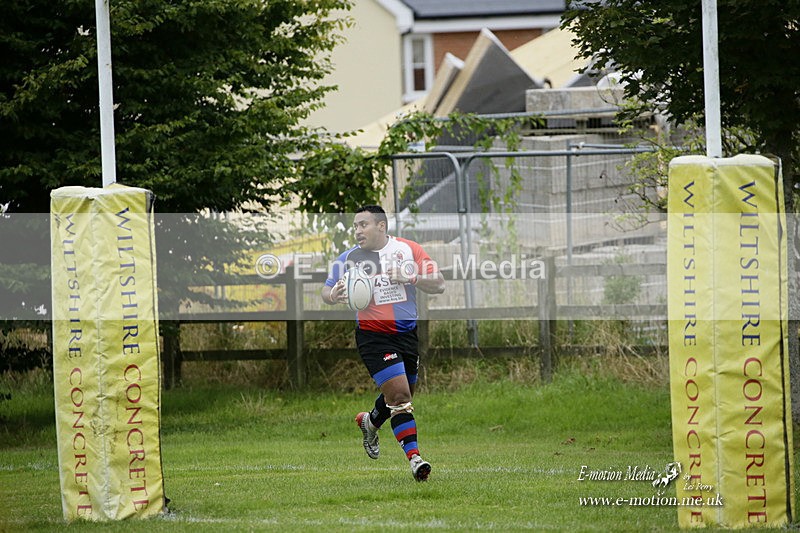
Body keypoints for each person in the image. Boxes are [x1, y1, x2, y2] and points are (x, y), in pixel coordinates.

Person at [321, 205, 445, 481]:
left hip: (406, 335)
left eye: (363, 225)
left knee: (401, 396)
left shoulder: (409, 250)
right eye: (355, 226)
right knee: (400, 397)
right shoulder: (349, 258)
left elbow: (439, 283)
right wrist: (334, 295)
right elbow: (326, 289)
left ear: (381, 226)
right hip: (373, 336)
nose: (357, 231)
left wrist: (410, 276)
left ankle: (370, 422)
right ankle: (416, 460)